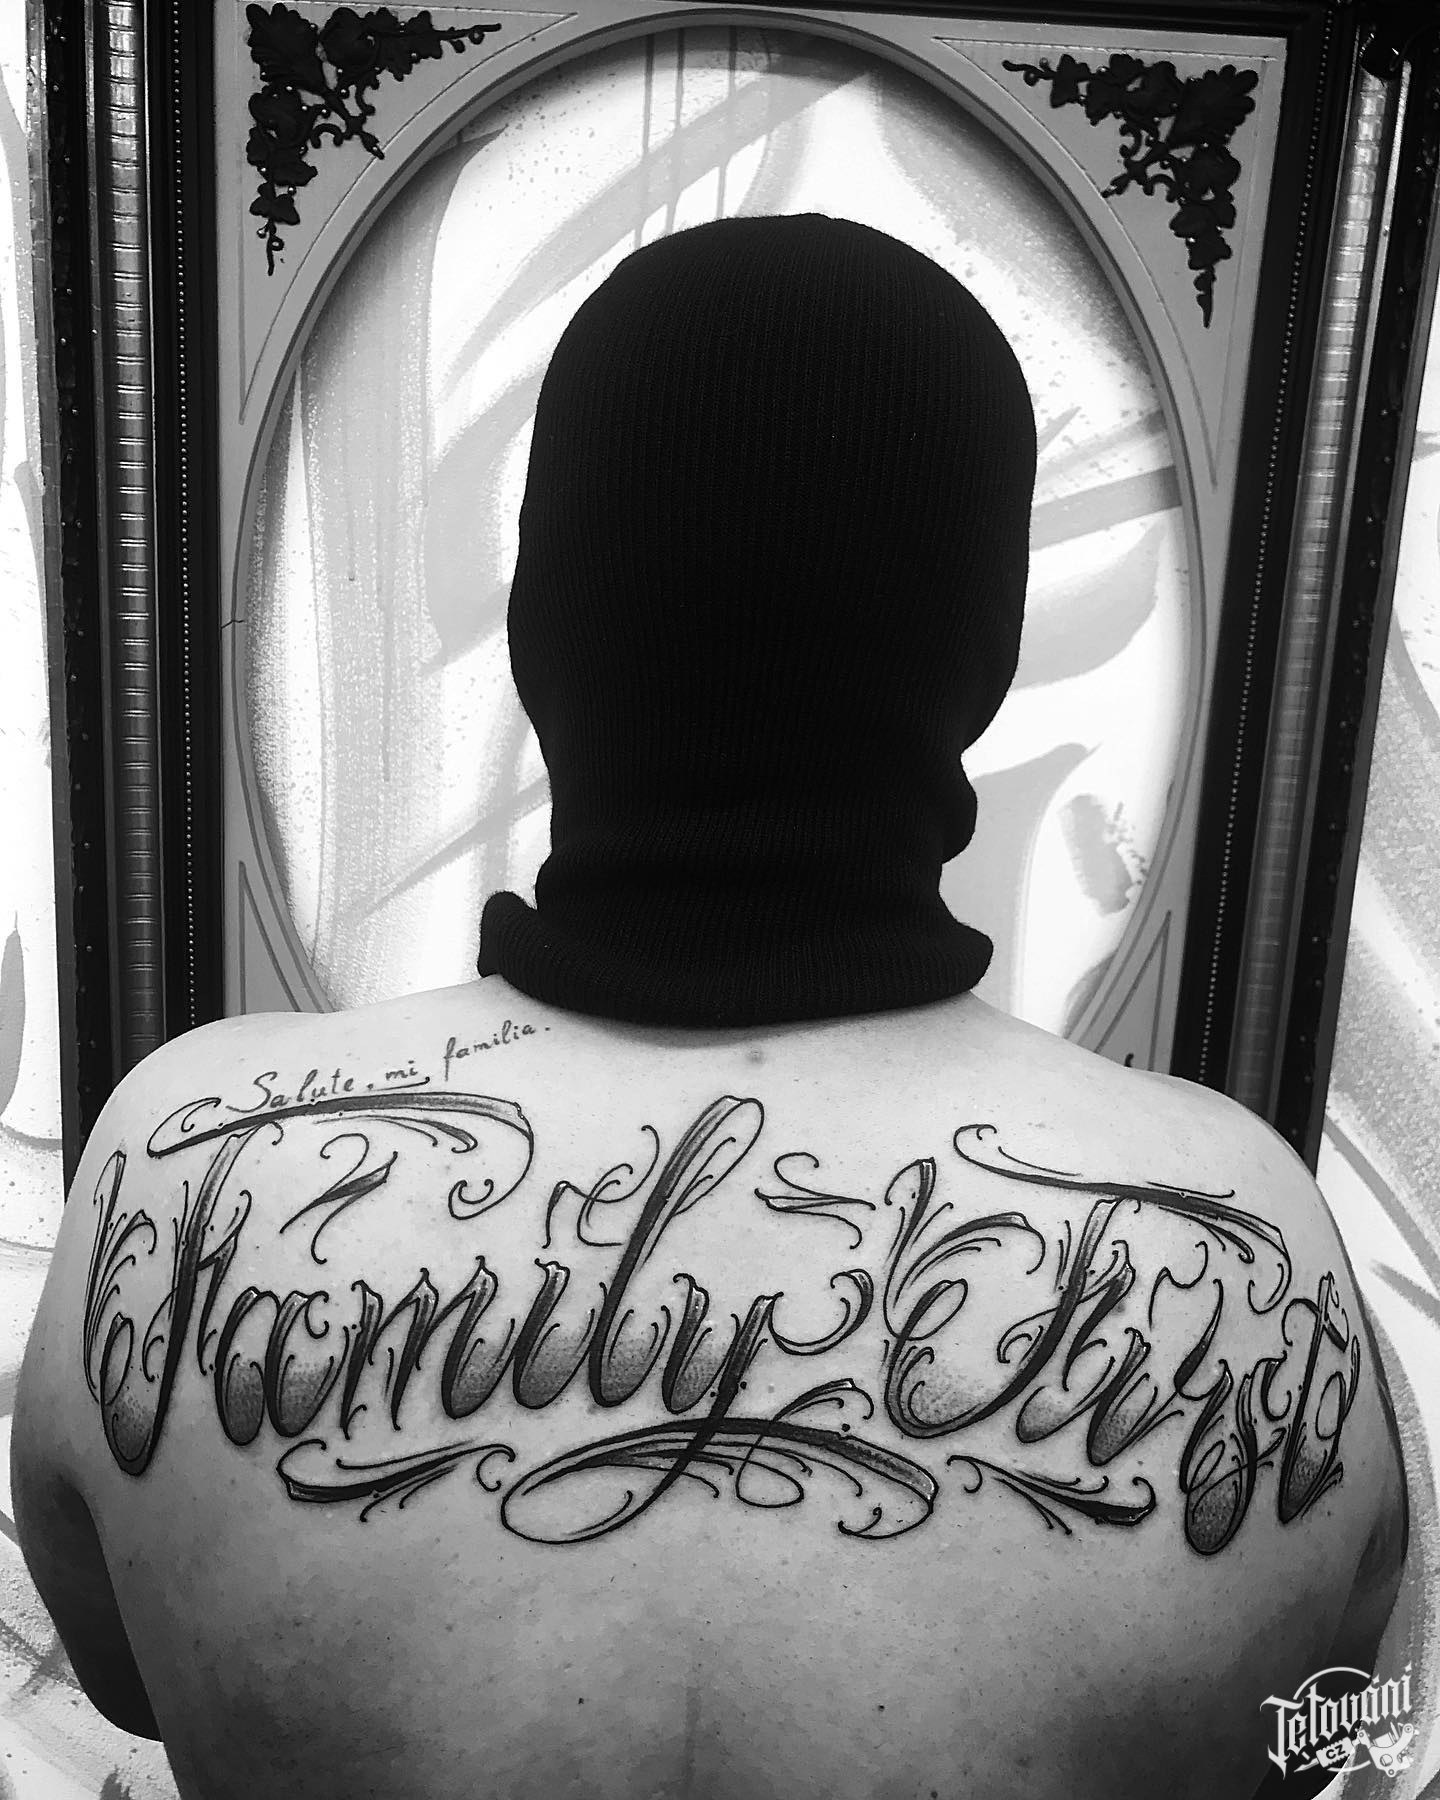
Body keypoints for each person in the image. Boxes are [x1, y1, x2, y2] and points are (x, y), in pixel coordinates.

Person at [13, 214, 1406, 1800]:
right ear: (983, 648)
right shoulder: (1251, 1241)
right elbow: (1315, 1741)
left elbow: (124, 1676)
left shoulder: (187, 1157)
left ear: (543, 621)